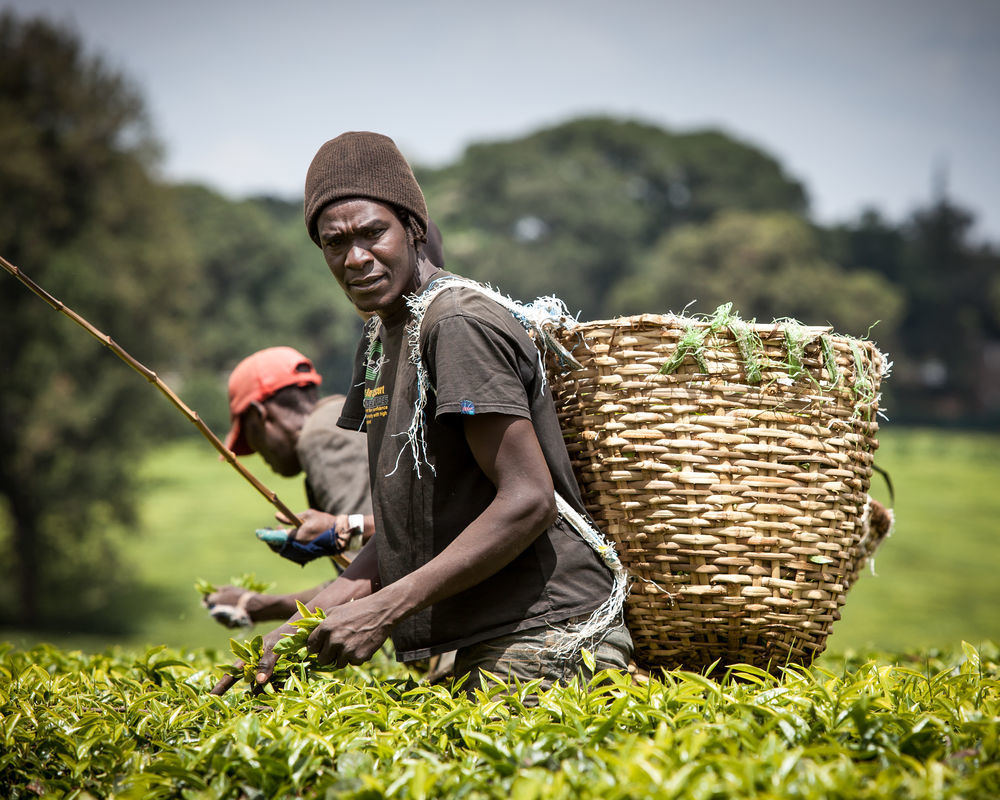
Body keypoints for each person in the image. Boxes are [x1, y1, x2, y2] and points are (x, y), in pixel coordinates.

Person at [212, 131, 632, 696]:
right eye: (334, 244)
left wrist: (383, 610)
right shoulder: (383, 338)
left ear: (412, 227)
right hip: (496, 636)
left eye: (372, 233)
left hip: (551, 634)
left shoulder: (455, 323)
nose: (355, 258)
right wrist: (294, 629)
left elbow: (527, 500)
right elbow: (406, 533)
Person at [203, 345, 374, 628]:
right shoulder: (341, 418)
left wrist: (256, 605)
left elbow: (371, 574)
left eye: (250, 438)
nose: (258, 454)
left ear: (260, 415)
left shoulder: (321, 437)